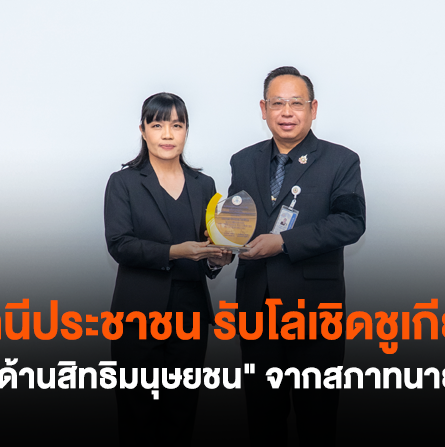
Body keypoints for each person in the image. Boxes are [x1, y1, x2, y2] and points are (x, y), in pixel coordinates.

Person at [229, 67, 366, 445]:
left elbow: (351, 223)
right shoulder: (242, 161)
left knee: (316, 420)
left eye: (296, 103)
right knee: (263, 419)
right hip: (256, 310)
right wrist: (220, 250)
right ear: (263, 109)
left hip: (315, 313)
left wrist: (284, 242)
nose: (286, 112)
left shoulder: (341, 160)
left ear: (313, 108)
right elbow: (236, 224)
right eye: (277, 103)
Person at [104, 92, 232, 447]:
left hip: (189, 313)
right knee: (137, 414)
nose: (167, 134)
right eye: (157, 124)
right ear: (143, 131)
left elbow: (209, 243)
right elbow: (119, 244)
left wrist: (218, 258)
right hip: (137, 315)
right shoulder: (124, 182)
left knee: (181, 413)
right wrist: (175, 251)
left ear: (187, 131)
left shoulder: (204, 185)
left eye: (177, 125)